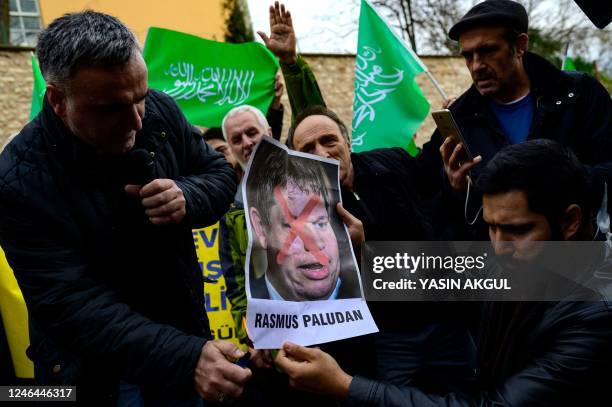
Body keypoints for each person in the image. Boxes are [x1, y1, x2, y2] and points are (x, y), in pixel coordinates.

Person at [0, 11, 251, 405]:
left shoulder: (160, 111)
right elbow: (73, 306)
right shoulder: (18, 180)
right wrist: (185, 357)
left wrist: (188, 195)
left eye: (140, 97)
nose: (135, 120)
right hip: (97, 375)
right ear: (58, 100)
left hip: (185, 342)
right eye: (110, 108)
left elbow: (218, 172)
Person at [276, 139, 612, 406]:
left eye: (518, 230)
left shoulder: (595, 313)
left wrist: (345, 387)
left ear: (570, 221)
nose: (499, 246)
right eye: (491, 228)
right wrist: (358, 248)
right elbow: (424, 274)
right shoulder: (513, 261)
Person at [416, 0, 612, 239]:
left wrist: (562, 180)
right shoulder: (459, 117)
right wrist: (456, 189)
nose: (476, 65)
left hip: (581, 261)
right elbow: (424, 195)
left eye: (488, 50)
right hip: (499, 267)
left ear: (520, 46)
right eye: (468, 56)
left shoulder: (579, 95)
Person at [246, 140, 359, 301]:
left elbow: (404, 289)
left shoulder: (369, 291)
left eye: (320, 223)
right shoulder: (244, 307)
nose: (315, 243)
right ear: (261, 228)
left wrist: (362, 251)